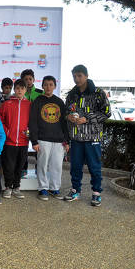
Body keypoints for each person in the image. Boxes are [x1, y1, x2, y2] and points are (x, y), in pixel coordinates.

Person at [64, 65, 111, 207]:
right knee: (75, 167)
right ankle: (75, 191)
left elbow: (107, 113)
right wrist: (69, 117)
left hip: (93, 138)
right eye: (74, 76)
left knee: (94, 167)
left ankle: (96, 193)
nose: (76, 79)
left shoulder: (98, 93)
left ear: (86, 76)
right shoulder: (71, 94)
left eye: (79, 76)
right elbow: (66, 111)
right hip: (76, 138)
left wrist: (88, 118)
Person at [29, 75, 69, 201]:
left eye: (51, 84)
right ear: (42, 86)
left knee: (56, 165)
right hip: (43, 139)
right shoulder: (38, 101)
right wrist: (34, 141)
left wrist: (66, 140)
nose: (48, 87)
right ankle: (43, 188)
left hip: (58, 140)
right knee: (42, 164)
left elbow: (64, 123)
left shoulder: (59, 102)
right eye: (46, 84)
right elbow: (33, 122)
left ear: (55, 86)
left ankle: (54, 188)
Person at [0, 79, 31, 199]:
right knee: (9, 165)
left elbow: (32, 122)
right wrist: (7, 132)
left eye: (22, 88)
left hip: (23, 141)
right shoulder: (7, 103)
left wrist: (29, 132)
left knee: (20, 165)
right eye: (17, 88)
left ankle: (16, 187)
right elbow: (0, 119)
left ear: (25, 90)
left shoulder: (29, 105)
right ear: (14, 89)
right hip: (9, 141)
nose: (20, 91)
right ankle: (8, 187)